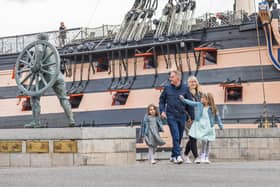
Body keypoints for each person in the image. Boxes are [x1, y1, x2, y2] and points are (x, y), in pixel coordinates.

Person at [24, 33, 75, 128]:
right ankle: (71, 120)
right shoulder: (52, 48)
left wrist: (36, 64)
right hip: (58, 75)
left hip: (48, 75)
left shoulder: (40, 45)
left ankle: (36, 122)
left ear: (39, 39)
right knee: (63, 98)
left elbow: (39, 51)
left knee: (34, 96)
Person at [159, 70, 194, 164]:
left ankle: (173, 155)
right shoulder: (167, 88)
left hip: (182, 116)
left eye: (172, 77)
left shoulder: (185, 88)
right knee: (176, 135)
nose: (170, 78)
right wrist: (162, 111)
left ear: (178, 78)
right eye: (170, 77)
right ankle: (178, 156)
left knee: (179, 137)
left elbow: (189, 103)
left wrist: (192, 117)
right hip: (171, 115)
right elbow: (162, 100)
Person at [179, 92, 223, 164]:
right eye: (201, 97)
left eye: (203, 98)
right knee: (198, 140)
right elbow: (191, 103)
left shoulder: (213, 108)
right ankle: (199, 156)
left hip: (208, 126)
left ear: (208, 100)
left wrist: (220, 125)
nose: (201, 99)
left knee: (207, 141)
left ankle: (206, 157)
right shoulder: (199, 104)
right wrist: (183, 100)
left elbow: (217, 117)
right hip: (199, 125)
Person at [184, 75, 202, 164]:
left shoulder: (200, 94)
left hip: (197, 119)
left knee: (193, 138)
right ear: (188, 83)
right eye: (191, 82)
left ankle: (185, 154)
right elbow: (183, 107)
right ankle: (196, 157)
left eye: (194, 81)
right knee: (192, 137)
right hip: (189, 119)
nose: (193, 83)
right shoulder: (185, 93)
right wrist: (188, 117)